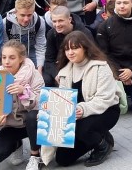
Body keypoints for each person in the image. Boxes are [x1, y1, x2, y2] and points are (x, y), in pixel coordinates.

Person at [52, 31, 120, 166]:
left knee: (81, 128)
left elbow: (104, 98)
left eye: (75, 48)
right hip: (78, 116)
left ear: (85, 48)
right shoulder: (64, 72)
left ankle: (103, 145)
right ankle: (99, 135)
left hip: (106, 110)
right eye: (67, 49)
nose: (70, 52)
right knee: (63, 159)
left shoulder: (101, 67)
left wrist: (82, 109)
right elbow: (63, 101)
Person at [0, 40, 45, 170]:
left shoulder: (34, 74)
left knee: (32, 117)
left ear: (21, 59)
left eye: (12, 57)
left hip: (32, 122)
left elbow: (43, 103)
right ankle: (17, 144)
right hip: (12, 124)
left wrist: (24, 92)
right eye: (4, 57)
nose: (7, 61)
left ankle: (35, 155)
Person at [43, 5, 93, 86]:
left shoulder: (84, 33)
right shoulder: (52, 34)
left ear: (69, 19)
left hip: (80, 65)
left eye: (60, 21)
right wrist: (56, 74)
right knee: (46, 79)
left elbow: (92, 55)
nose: (57, 25)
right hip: (60, 65)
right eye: (54, 21)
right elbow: (49, 59)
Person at [4, 0, 47, 69]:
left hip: (32, 52)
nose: (26, 19)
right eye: (22, 15)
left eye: (29, 15)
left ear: (33, 12)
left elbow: (40, 47)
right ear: (15, 12)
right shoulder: (5, 24)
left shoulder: (39, 22)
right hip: (13, 54)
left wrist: (39, 69)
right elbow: (5, 48)